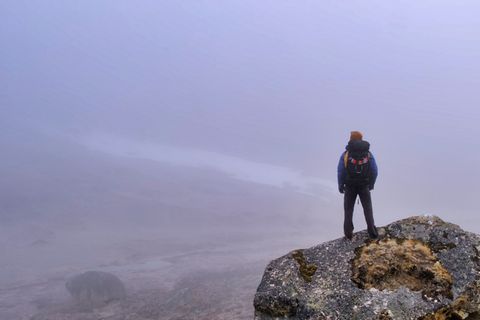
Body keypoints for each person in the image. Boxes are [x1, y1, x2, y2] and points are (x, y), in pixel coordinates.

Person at [337, 131, 378, 240]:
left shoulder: (346, 154)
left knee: (348, 210)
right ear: (361, 138)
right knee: (368, 209)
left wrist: (341, 185)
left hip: (350, 186)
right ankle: (372, 232)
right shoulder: (368, 154)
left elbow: (340, 171)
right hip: (364, 185)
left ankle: (348, 233)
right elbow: (374, 170)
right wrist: (371, 184)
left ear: (351, 138)